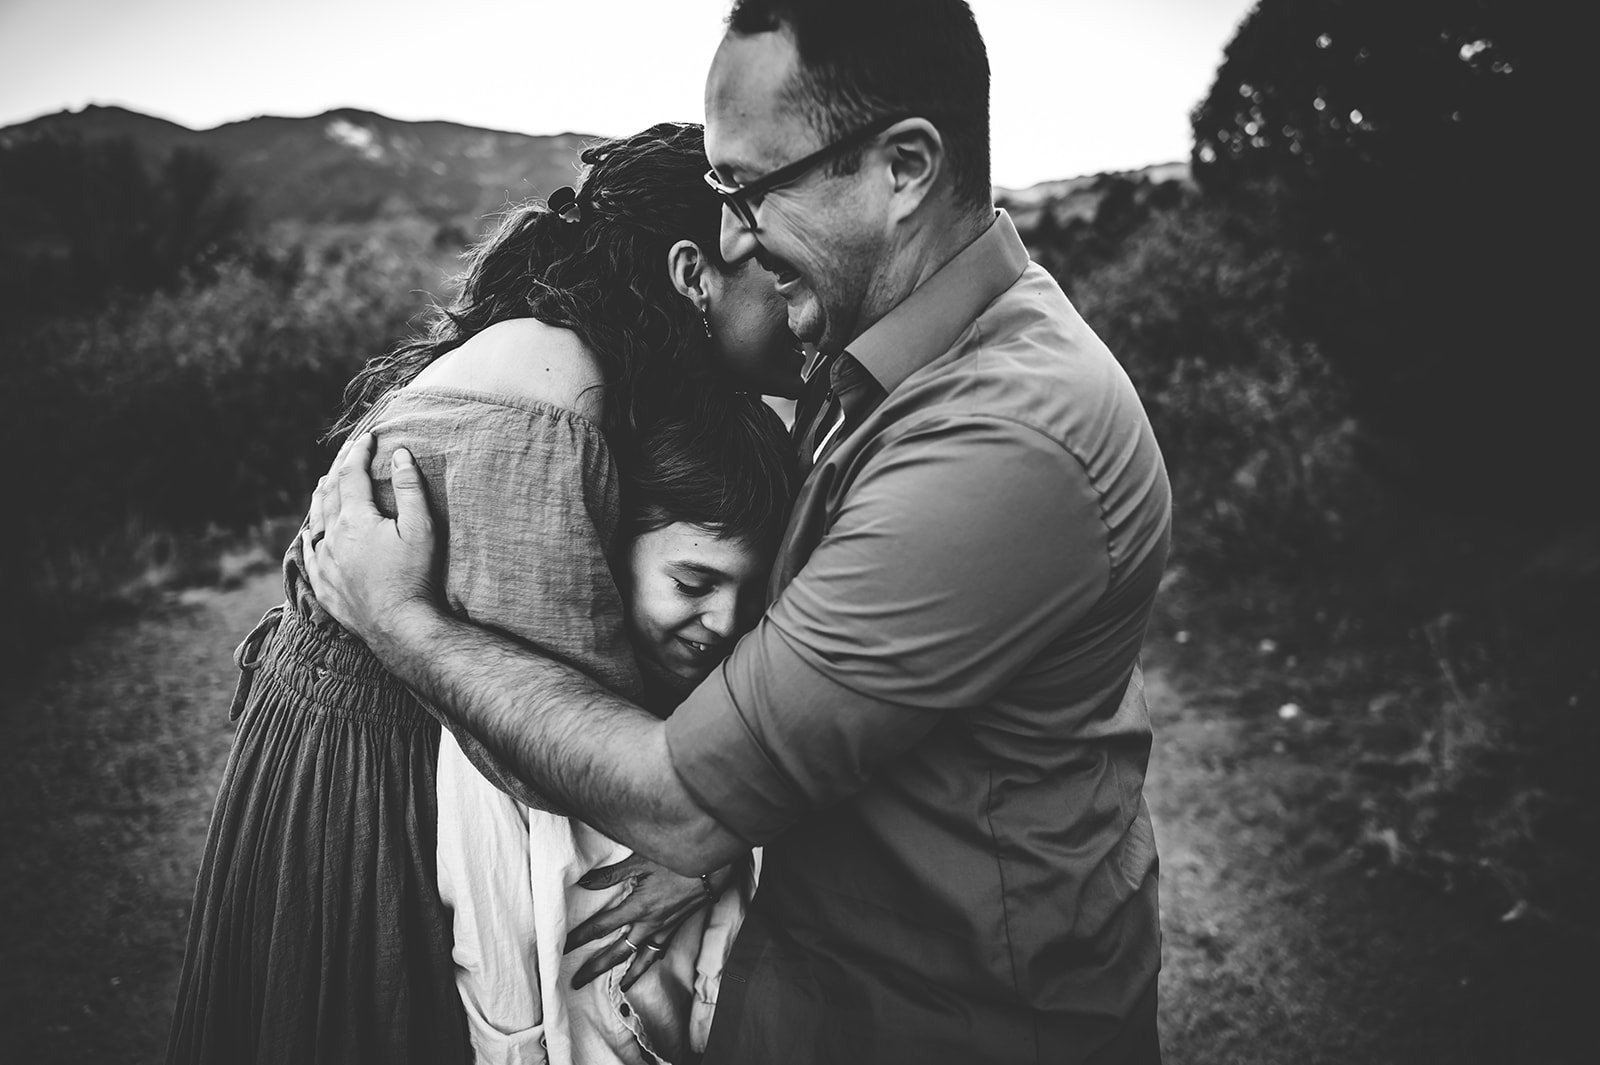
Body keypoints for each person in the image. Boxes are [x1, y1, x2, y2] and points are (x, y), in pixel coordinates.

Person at [304, 1, 1173, 1062]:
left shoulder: (999, 439)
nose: (726, 238)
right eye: (719, 194)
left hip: (951, 1019)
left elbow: (682, 801)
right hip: (839, 991)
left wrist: (403, 621)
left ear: (903, 167)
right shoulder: (874, 365)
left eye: (750, 191)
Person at [167, 121, 802, 1065]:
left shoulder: (582, 364)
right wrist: (698, 836)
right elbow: (565, 737)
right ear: (691, 272)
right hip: (367, 775)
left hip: (377, 746)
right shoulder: (555, 380)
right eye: (778, 275)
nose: (800, 305)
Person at [441, 400, 794, 1065]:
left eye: (751, 598)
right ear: (613, 550)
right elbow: (493, 964)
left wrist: (715, 850)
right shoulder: (510, 714)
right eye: (693, 582)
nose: (723, 621)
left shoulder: (748, 697)